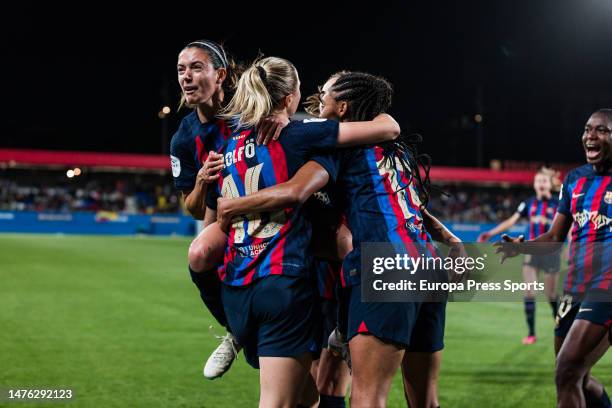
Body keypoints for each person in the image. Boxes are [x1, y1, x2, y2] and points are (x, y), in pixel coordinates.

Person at [215, 71, 461, 408]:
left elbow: (295, 190)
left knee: (367, 396)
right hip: (428, 266)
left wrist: (233, 205)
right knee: (425, 401)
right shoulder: (395, 149)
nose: (319, 98)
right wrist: (447, 235)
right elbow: (409, 203)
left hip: (382, 266)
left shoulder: (332, 145)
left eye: (326, 93)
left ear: (343, 108)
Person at [169, 39, 286, 380]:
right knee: (199, 253)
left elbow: (285, 95)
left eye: (196, 67)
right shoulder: (183, 138)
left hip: (274, 204)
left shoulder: (249, 106)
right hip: (226, 213)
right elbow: (191, 208)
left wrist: (279, 113)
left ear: (219, 74)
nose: (186, 76)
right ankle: (234, 331)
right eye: (181, 69)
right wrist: (203, 180)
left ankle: (341, 326)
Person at [496, 109, 612, 408]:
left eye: (602, 130)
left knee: (566, 371)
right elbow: (554, 237)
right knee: (577, 378)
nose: (591, 136)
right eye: (588, 129)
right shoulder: (574, 180)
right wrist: (521, 248)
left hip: (607, 285)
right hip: (575, 285)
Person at [478, 168, 561, 344]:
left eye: (544, 181)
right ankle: (531, 333)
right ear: (534, 185)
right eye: (537, 181)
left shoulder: (558, 204)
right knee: (529, 291)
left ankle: (560, 326)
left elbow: (566, 227)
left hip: (551, 252)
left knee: (551, 294)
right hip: (530, 251)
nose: (540, 184)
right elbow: (511, 221)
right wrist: (491, 233)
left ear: (549, 184)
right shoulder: (528, 203)